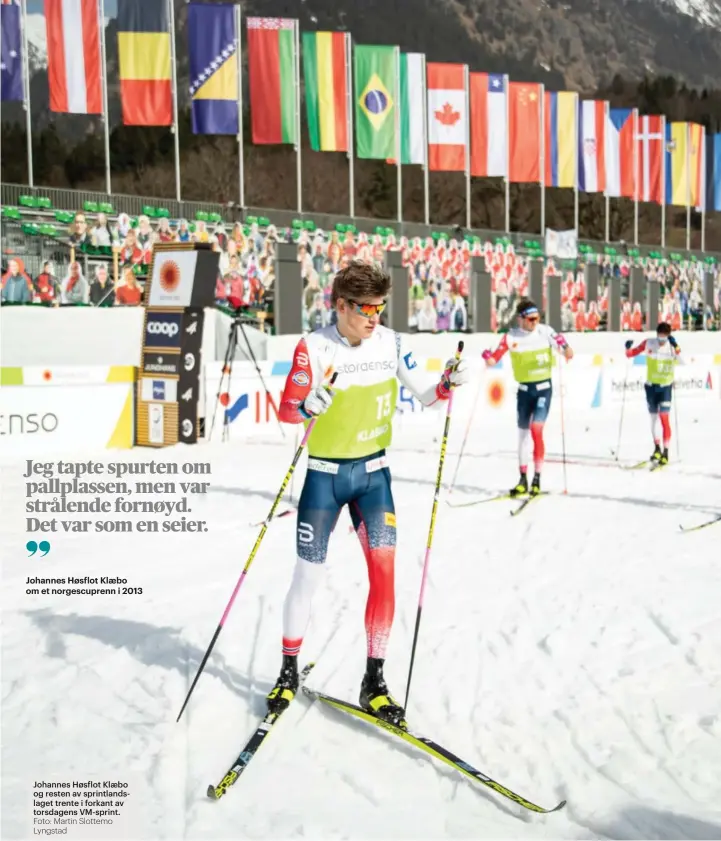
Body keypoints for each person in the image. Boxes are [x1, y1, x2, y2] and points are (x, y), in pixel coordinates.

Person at [267, 260, 469, 727]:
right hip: (323, 477)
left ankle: (373, 681)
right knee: (307, 578)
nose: (374, 316)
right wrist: (307, 405)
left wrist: (447, 383)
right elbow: (287, 411)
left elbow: (429, 396)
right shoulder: (313, 348)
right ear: (340, 305)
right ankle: (288, 669)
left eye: (380, 306)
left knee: (384, 572)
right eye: (364, 308)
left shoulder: (393, 343)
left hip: (374, 477)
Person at [482, 298, 573, 497]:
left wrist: (566, 350)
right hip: (524, 392)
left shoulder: (545, 331)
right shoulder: (510, 337)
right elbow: (493, 360)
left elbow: (566, 348)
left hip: (543, 389)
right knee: (522, 437)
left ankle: (537, 479)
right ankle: (523, 479)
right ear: (520, 319)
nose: (534, 322)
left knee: (536, 429)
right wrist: (487, 356)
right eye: (531, 319)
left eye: (537, 318)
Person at [624, 321, 681, 465]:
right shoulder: (649, 343)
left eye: (664, 338)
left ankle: (666, 452)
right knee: (653, 419)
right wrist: (627, 348)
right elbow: (631, 354)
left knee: (664, 418)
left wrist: (675, 346)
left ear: (668, 336)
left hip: (665, 387)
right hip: (650, 387)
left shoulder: (672, 347)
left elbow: (681, 359)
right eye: (659, 338)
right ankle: (657, 449)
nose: (661, 341)